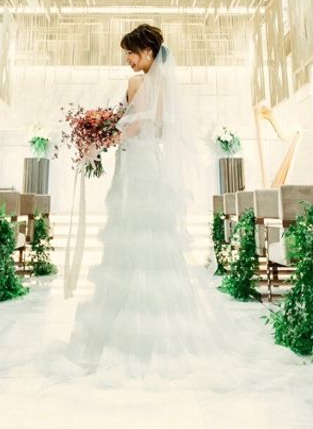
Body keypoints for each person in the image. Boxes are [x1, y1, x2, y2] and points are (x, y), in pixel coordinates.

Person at [65, 24, 217, 379]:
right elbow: (158, 128)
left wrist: (98, 142)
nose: (128, 60)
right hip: (153, 163)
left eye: (131, 53)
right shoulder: (164, 87)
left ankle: (126, 338)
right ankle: (160, 334)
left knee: (132, 235)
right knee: (153, 237)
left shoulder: (137, 83)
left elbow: (132, 127)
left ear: (148, 52)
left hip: (135, 165)